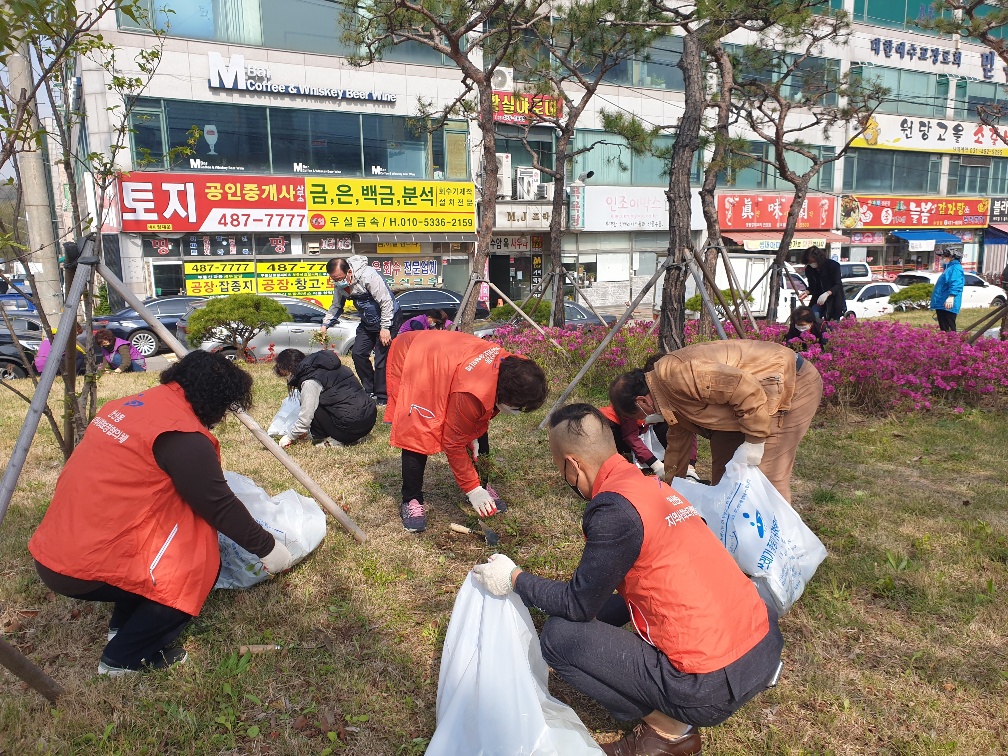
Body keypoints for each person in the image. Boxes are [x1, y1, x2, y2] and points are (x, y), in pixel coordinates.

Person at [471, 404, 784, 756]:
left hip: (711, 683)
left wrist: (515, 579)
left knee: (561, 637)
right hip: (761, 644)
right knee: (591, 611)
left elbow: (578, 603)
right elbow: (614, 588)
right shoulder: (651, 487)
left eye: (560, 468)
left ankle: (670, 733)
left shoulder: (614, 510)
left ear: (573, 465)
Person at [28, 351, 294, 676]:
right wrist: (268, 548)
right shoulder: (181, 437)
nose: (223, 418)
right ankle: (125, 657)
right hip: (80, 566)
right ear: (213, 399)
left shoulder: (130, 406)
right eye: (225, 409)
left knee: (151, 550)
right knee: (196, 565)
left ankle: (123, 627)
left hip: (56, 546)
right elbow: (217, 504)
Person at [609, 339, 822, 503]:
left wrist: (755, 440)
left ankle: (776, 550)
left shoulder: (677, 375)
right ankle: (733, 537)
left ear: (642, 401)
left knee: (766, 480)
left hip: (787, 385)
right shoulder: (663, 394)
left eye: (639, 416)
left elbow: (745, 388)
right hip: (745, 405)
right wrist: (671, 485)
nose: (645, 421)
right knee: (724, 475)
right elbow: (678, 440)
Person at [385, 330, 548, 532]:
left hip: (451, 357)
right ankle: (411, 499)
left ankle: (483, 482)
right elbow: (452, 443)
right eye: (516, 407)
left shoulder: (516, 367)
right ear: (503, 394)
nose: (517, 413)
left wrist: (478, 485)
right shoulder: (471, 392)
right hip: (417, 356)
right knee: (419, 430)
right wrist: (472, 490)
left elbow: (478, 422)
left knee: (478, 425)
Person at [321, 256, 399, 405]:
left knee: (381, 359)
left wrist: (385, 327)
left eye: (339, 278)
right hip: (367, 321)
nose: (338, 282)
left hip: (389, 318)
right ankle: (370, 391)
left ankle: (383, 397)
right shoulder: (339, 286)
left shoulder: (368, 276)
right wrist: (325, 325)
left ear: (349, 272)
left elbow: (386, 302)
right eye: (334, 279)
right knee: (358, 354)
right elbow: (336, 306)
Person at [273, 348, 377, 448]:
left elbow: (306, 418)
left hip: (349, 427)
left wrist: (290, 436)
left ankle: (336, 440)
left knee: (313, 404)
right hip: (368, 420)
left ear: (289, 369)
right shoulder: (331, 366)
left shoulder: (310, 381)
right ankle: (351, 437)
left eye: (284, 374)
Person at [801, 246, 844, 322]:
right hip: (817, 300)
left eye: (812, 261)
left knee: (832, 324)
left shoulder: (833, 265)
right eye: (809, 262)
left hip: (833, 300)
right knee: (814, 317)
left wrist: (827, 293)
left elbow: (838, 284)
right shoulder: (809, 269)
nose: (811, 263)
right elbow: (812, 286)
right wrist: (806, 292)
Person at [930, 246, 965, 332]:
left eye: (944, 257)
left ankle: (953, 345)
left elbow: (956, 283)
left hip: (948, 303)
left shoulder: (955, 268)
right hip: (942, 303)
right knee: (944, 328)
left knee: (949, 328)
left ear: (951, 257)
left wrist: (951, 296)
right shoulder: (948, 268)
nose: (942, 259)